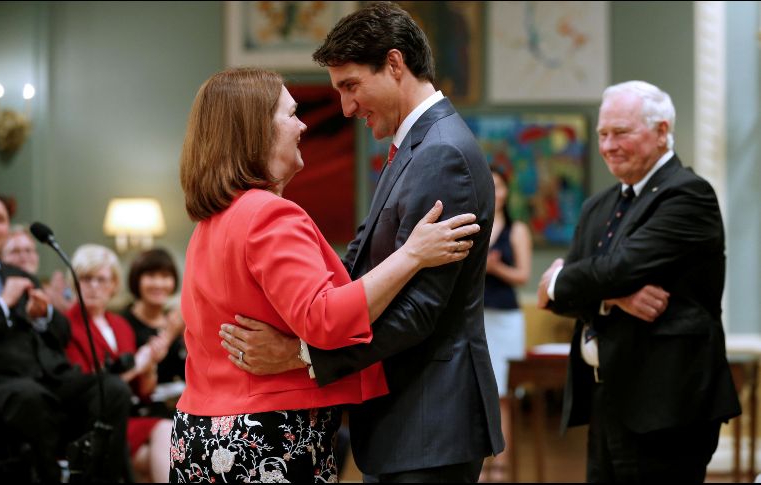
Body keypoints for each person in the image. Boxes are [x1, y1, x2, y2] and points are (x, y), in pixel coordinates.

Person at [219, 3, 503, 482]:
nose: (347, 107)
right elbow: (360, 260)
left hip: (430, 420)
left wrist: (300, 355)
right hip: (410, 420)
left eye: (351, 86)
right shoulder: (417, 145)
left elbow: (419, 312)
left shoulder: (441, 153)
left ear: (394, 64)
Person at [173, 66, 479, 483]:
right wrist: (412, 255)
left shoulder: (211, 223)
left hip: (200, 432)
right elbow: (325, 318)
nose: (302, 126)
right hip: (263, 437)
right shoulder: (268, 215)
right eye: (291, 114)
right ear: (256, 131)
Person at [536, 80, 741, 482]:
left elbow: (619, 268)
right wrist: (612, 299)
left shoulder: (688, 195)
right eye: (602, 134)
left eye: (621, 133)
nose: (608, 145)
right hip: (606, 396)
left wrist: (560, 278)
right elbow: (562, 297)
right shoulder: (599, 205)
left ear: (662, 131)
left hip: (667, 405)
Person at [0, 189, 132, 482]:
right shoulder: (10, 286)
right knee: (30, 398)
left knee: (112, 389)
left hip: (50, 375)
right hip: (3, 380)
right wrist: (4, 302)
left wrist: (44, 315)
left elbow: (63, 333)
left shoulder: (20, 275)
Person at [64, 244, 173, 483]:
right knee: (164, 445)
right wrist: (138, 365)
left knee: (162, 444)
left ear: (113, 285)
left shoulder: (120, 325)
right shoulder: (66, 324)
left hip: (128, 417)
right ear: (74, 282)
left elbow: (143, 392)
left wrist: (150, 365)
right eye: (86, 278)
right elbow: (87, 388)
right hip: (92, 423)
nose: (94, 286)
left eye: (101, 279)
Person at [480, 166, 531, 482]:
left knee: (503, 396)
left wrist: (495, 268)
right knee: (476, 393)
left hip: (506, 319)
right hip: (476, 318)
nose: (494, 191)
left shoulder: (517, 229)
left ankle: (501, 465)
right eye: (489, 185)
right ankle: (479, 465)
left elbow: (523, 275)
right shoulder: (472, 223)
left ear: (507, 191)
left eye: (499, 185)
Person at [120, 248, 186, 389]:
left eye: (165, 276)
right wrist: (169, 334)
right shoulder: (121, 323)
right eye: (151, 276)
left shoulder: (176, 321)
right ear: (137, 280)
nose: (158, 284)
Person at [1, 224, 75, 314]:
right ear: (1, 257)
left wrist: (56, 308)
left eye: (28, 250)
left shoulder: (47, 293)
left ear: (37, 256)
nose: (24, 257)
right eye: (15, 251)